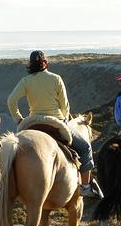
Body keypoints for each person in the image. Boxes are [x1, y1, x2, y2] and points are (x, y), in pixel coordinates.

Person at [7, 50, 103, 199]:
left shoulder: (26, 81)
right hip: (56, 121)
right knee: (85, 148)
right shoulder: (56, 78)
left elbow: (11, 101)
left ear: (30, 65)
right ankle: (85, 187)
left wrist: (18, 119)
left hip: (33, 122)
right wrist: (64, 119)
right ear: (46, 63)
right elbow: (65, 106)